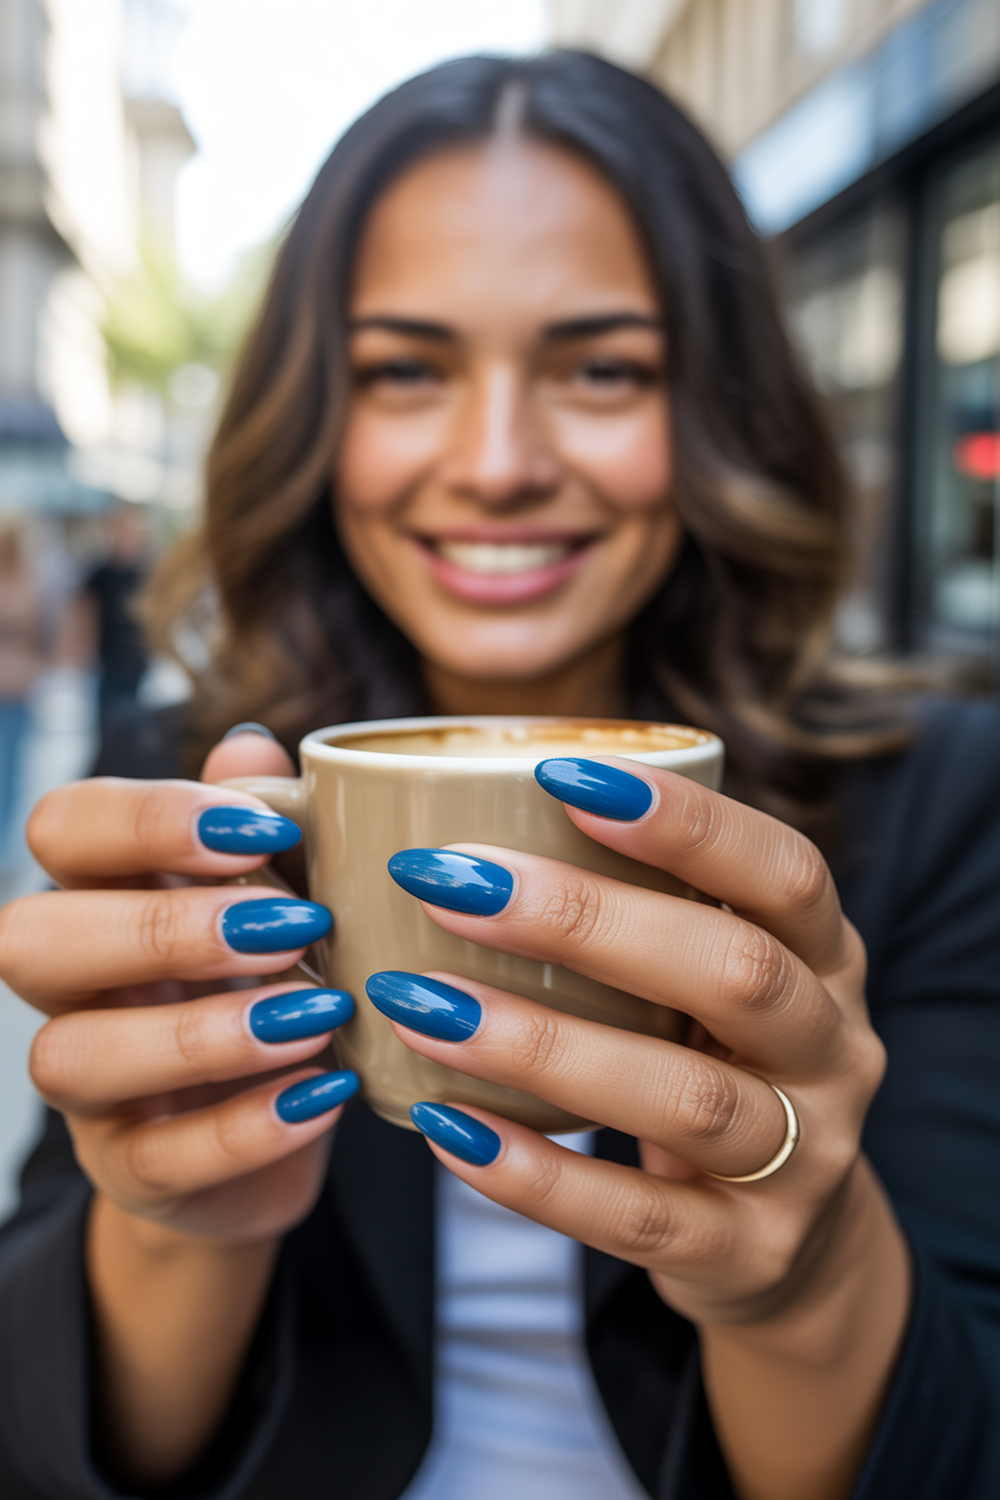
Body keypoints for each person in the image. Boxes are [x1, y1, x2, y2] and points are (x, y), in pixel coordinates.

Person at [0, 51, 998, 1500]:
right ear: (317, 417)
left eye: (601, 370)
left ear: (717, 406)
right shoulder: (192, 787)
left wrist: (801, 1282)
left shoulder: (949, 797)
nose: (498, 462)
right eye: (407, 370)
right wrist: (173, 1217)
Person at [81, 506, 151, 731]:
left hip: (140, 664)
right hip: (107, 664)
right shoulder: (100, 574)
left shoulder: (146, 573)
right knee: (107, 724)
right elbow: (85, 615)